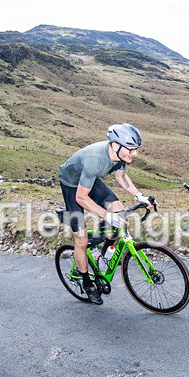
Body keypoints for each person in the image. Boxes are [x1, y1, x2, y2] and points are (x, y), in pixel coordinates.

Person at [58, 123, 151, 305]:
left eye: (136, 150)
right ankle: (87, 282)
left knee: (119, 214)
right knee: (82, 239)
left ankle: (104, 253)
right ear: (116, 145)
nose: (135, 154)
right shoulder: (96, 159)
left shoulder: (120, 155)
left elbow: (121, 177)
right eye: (131, 150)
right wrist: (106, 216)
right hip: (71, 186)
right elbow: (81, 198)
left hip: (90, 180)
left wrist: (140, 196)